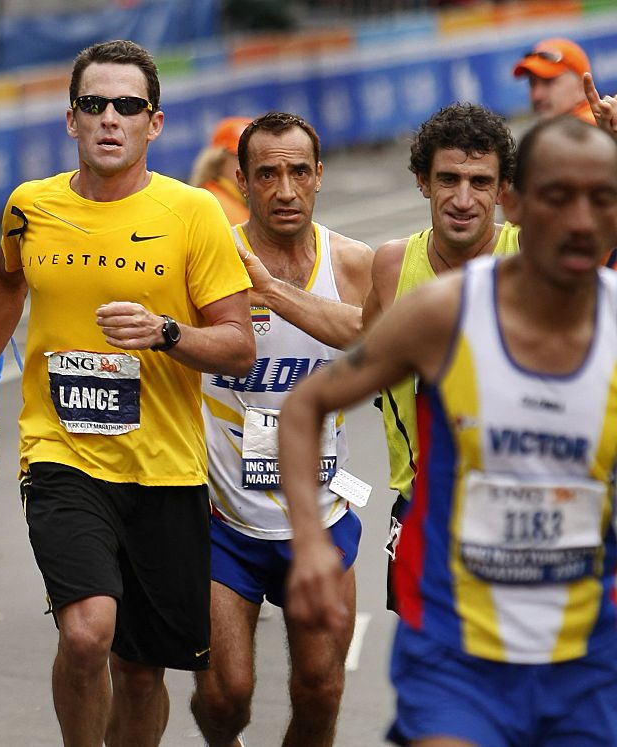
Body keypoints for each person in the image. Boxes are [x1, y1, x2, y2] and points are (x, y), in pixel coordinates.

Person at [281, 114, 617, 747]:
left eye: (601, 199)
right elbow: (307, 406)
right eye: (557, 197)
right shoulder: (443, 310)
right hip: (456, 644)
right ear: (519, 202)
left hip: (586, 656)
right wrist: (307, 544)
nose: (579, 220)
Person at [0, 39, 255, 747]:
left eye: (127, 106)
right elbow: (6, 282)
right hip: (62, 454)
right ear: (71, 119)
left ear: (153, 124)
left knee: (140, 671)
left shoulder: (195, 215)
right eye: (93, 104)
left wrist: (166, 333)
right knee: (90, 629)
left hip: (166, 466)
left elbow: (239, 346)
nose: (109, 118)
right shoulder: (29, 207)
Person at [190, 112, 373, 747]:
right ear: (241, 182)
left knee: (320, 692)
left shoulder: (353, 264)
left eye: (299, 171)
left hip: (318, 518)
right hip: (222, 521)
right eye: (267, 174)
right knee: (225, 695)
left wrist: (270, 290)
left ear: (320, 175)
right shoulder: (209, 264)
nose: (286, 189)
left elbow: (378, 334)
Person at [363, 103, 519, 610]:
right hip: (421, 512)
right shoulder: (391, 265)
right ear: (422, 182)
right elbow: (362, 346)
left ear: (501, 190)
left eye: (480, 182)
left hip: (518, 513)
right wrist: (276, 295)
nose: (463, 199)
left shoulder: (534, 254)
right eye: (448, 179)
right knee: (425, 681)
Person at [513, 38, 596, 124]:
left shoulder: (587, 128)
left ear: (582, 87)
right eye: (532, 83)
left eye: (548, 81)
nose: (536, 95)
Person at [189, 116, 253, 224]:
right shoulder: (218, 206)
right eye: (242, 157)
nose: (250, 164)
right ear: (219, 160)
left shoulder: (224, 200)